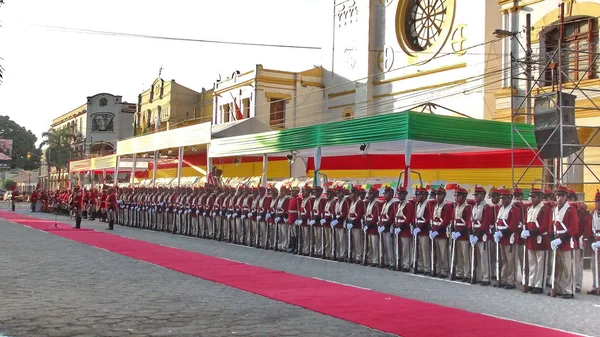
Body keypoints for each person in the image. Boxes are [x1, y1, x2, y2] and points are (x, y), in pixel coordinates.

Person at [549, 186, 579, 299]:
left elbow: (574, 227)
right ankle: (559, 288)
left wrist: (561, 239)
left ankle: (569, 290)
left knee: (567, 267)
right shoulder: (554, 209)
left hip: (566, 240)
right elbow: (551, 225)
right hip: (557, 240)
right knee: (558, 267)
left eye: (562, 196)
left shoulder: (571, 209)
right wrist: (552, 239)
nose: (559, 198)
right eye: (558, 196)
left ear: (566, 197)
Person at [521, 187, 551, 294]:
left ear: (540, 197)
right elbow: (526, 222)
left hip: (540, 239)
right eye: (531, 197)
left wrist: (531, 232)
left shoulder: (545, 209)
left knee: (540, 263)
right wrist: (524, 231)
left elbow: (544, 227)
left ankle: (539, 285)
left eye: (534, 197)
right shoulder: (529, 209)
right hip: (530, 240)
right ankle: (531, 283)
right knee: (532, 263)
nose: (532, 199)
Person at [493, 188, 521, 289]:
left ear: (510, 198)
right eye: (502, 198)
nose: (502, 200)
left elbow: (513, 226)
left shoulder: (514, 210)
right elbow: (498, 222)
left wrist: (501, 233)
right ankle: (503, 279)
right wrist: (496, 233)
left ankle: (511, 281)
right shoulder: (501, 208)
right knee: (503, 260)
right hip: (501, 238)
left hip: (510, 238)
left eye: (504, 198)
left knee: (511, 261)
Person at [470, 185, 494, 286]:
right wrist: (471, 234)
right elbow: (471, 221)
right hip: (475, 233)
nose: (475, 197)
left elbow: (485, 223)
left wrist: (478, 235)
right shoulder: (475, 206)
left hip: (483, 235)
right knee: (477, 257)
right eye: (475, 195)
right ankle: (478, 276)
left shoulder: (486, 207)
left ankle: (486, 278)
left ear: (483, 195)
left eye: (477, 195)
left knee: (484, 257)